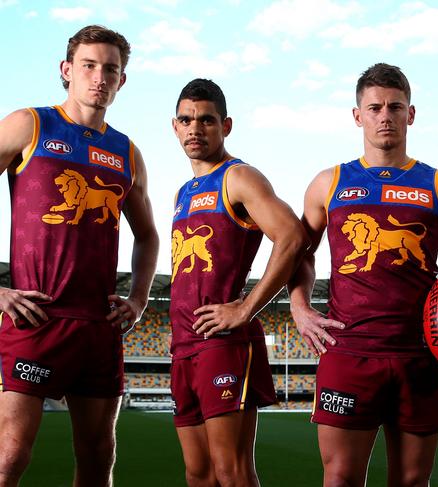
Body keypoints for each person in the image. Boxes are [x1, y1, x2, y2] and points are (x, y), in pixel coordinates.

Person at [288, 63, 438, 487]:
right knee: (339, 479)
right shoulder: (327, 184)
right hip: (349, 350)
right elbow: (299, 253)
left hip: (420, 353)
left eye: (394, 106)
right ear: (358, 116)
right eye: (374, 107)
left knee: (411, 482)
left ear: (411, 114)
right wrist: (299, 306)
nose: (384, 115)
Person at [0, 25, 159, 487]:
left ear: (122, 80)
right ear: (66, 70)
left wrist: (141, 298)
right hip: (36, 317)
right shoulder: (29, 123)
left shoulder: (125, 151)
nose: (99, 77)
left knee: (97, 459)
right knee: (10, 456)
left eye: (111, 69)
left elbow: (147, 236)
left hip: (96, 326)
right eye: (89, 65)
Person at [169, 78, 307, 487]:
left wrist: (246, 309)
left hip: (223, 343)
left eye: (207, 120)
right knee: (199, 473)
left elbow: (293, 237)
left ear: (225, 126)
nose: (196, 128)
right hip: (182, 342)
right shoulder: (183, 192)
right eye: (186, 119)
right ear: (174, 126)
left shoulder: (239, 177)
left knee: (231, 471)